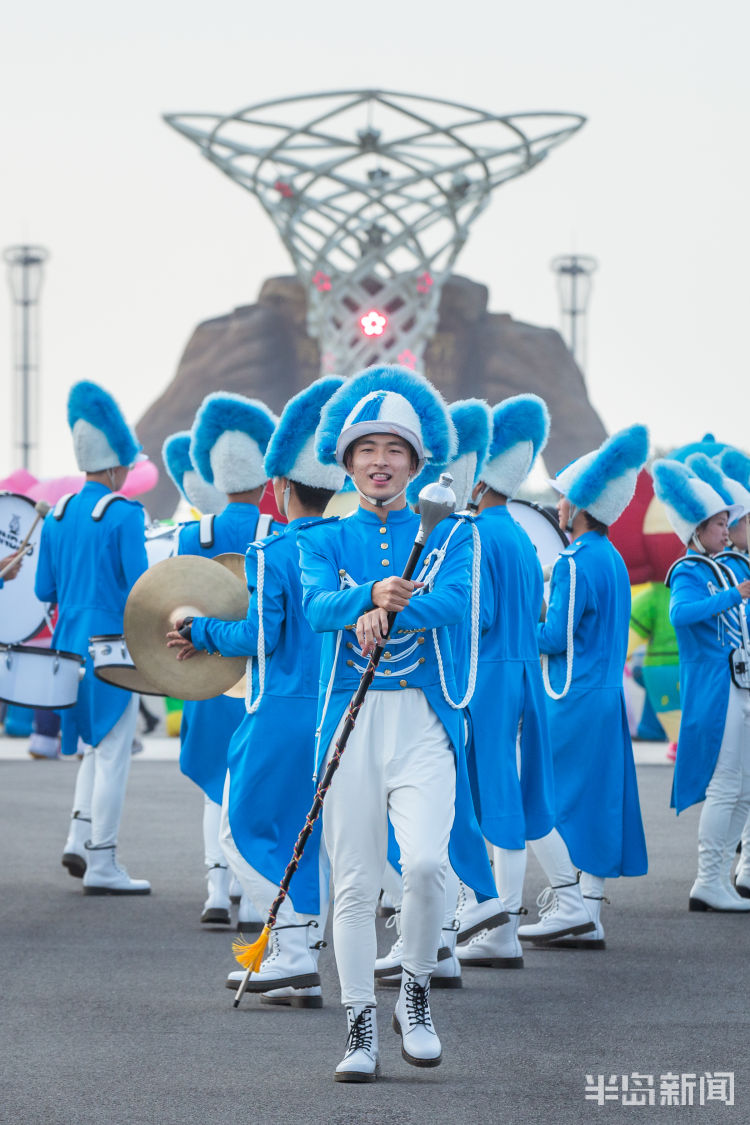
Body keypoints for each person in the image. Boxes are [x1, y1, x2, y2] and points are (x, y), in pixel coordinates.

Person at [299, 366, 496, 1082]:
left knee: (423, 865)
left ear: (416, 464)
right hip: (350, 722)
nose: (380, 461)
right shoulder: (320, 539)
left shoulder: (453, 534)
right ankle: (358, 1023)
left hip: (424, 721)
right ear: (347, 462)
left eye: (395, 450)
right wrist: (363, 596)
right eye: (366, 449)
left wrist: (394, 603)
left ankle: (413, 991)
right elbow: (317, 606)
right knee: (351, 881)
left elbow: (457, 603)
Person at [166, 377, 345, 1008]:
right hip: (330, 709)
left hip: (278, 707)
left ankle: (292, 953)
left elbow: (258, 635)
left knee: (240, 832)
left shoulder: (278, 548)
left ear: (283, 487)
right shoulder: (341, 544)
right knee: (304, 831)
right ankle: (299, 951)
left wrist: (199, 629)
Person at [519, 425, 650, 948]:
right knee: (594, 801)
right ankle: (586, 914)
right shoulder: (612, 559)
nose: (557, 508)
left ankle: (569, 905)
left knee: (551, 801)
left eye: (563, 499)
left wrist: (521, 621)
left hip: (569, 699)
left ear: (580, 507)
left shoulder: (576, 561)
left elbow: (554, 636)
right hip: (603, 696)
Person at [35, 381, 150, 894]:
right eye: (125, 463)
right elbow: (144, 591)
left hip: (65, 648)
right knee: (114, 755)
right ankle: (103, 861)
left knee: (90, 748)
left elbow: (44, 589)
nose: (128, 471)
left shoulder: (57, 514)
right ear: (111, 466)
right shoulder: (124, 514)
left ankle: (77, 838)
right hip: (111, 649)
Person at [454, 394, 556, 970]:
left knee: (486, 795)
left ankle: (498, 926)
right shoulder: (518, 531)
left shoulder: (474, 533)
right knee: (508, 795)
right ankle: (505, 924)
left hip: (486, 676)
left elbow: (479, 614)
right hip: (521, 672)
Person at [176, 392, 279, 927]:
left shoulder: (192, 534)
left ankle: (216, 890)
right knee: (255, 781)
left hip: (205, 671)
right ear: (267, 475)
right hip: (259, 673)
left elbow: (169, 606)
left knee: (215, 776)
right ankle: (251, 891)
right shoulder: (276, 533)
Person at [653, 458, 750, 911]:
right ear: (696, 529)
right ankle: (708, 880)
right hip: (716, 688)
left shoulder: (719, 566)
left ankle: (719, 880)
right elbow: (681, 615)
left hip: (736, 684)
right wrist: (736, 595)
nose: (726, 531)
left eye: (728, 522)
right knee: (726, 785)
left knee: (744, 787)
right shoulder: (690, 570)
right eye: (717, 524)